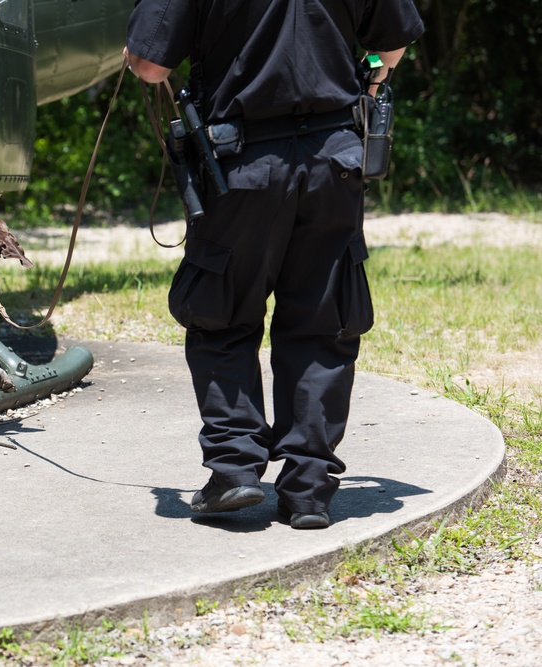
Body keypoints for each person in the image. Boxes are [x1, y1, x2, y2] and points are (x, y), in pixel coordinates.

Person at [124, 0, 424, 529]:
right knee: (323, 322)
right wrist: (368, 89)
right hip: (335, 157)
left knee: (222, 313)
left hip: (241, 163)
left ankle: (236, 470)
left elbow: (150, 67)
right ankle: (309, 488)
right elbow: (391, 44)